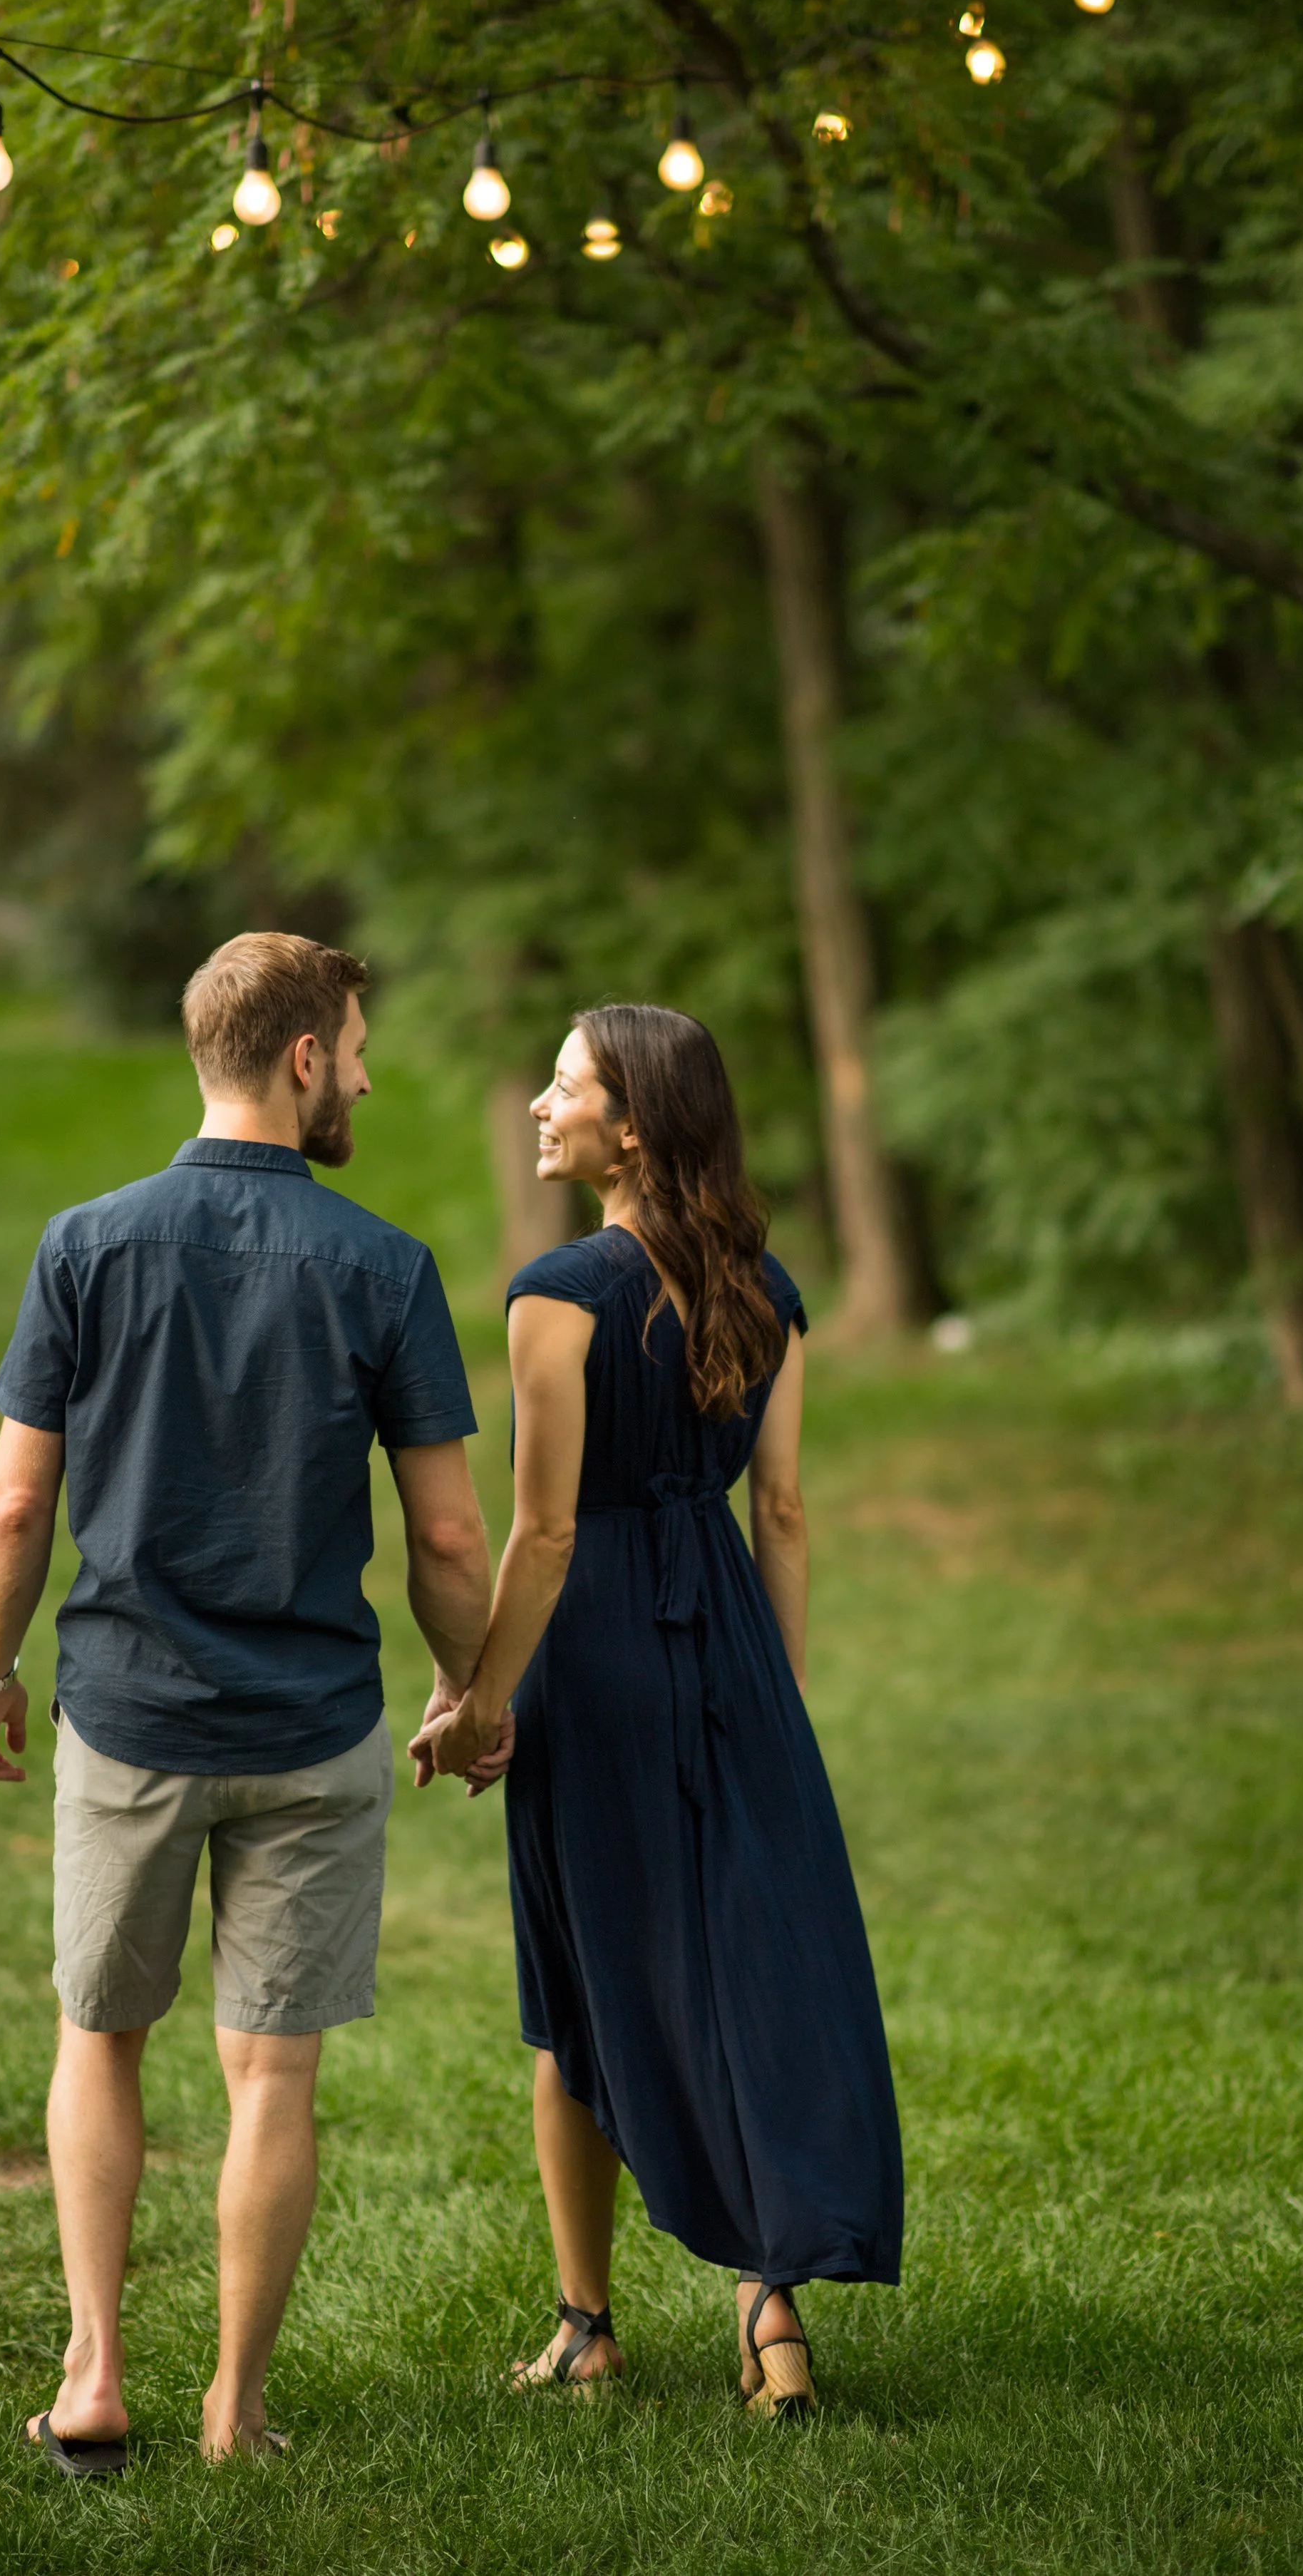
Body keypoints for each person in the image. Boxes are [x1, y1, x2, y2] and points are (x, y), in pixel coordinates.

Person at [0, 931, 500, 2474]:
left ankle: (93, 2378)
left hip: (125, 1716)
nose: (370, 1073)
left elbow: (12, 1506)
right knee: (271, 2072)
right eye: (355, 1044)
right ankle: (234, 2410)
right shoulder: (384, 1268)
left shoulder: (85, 1244)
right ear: (299, 1061)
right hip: (314, 1730)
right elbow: (450, 1537)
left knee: (101, 2036)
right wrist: (469, 1688)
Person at [411, 1003, 902, 2414]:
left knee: (577, 1990)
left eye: (561, 1087)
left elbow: (546, 1536)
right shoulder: (768, 1287)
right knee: (741, 1971)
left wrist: (478, 1704)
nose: (537, 1107)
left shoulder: (554, 1294)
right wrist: (775, 1702)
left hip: (597, 1654)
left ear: (629, 1126)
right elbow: (787, 1510)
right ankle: (772, 2314)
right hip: (734, 1650)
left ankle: (586, 2322)